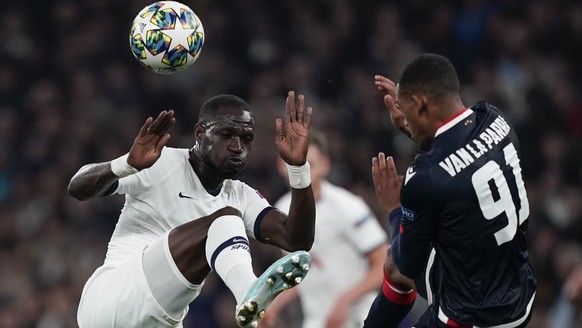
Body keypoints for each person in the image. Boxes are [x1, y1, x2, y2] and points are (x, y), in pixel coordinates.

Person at [67, 91, 316, 328]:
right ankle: (250, 294)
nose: (237, 146)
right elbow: (77, 187)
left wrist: (298, 169)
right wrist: (126, 165)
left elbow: (297, 241)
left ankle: (252, 298)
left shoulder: (241, 195)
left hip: (162, 320)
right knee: (227, 218)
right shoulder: (162, 162)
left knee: (229, 216)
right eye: (227, 134)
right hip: (114, 297)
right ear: (200, 134)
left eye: (246, 138)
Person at [363, 53, 537, 327]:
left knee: (398, 261)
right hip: (519, 289)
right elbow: (459, 156)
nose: (404, 122)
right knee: (391, 267)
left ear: (421, 104)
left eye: (407, 113)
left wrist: (394, 208)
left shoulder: (424, 178)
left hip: (475, 316)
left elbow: (408, 262)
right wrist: (411, 125)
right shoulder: (494, 117)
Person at [260, 130, 388, 328]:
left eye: (309, 164)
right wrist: (271, 306)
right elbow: (300, 274)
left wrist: (345, 301)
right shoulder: (282, 211)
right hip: (317, 321)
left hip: (360, 318)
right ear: (281, 166)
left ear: (326, 165)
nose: (303, 172)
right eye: (295, 165)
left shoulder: (347, 205)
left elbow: (383, 264)